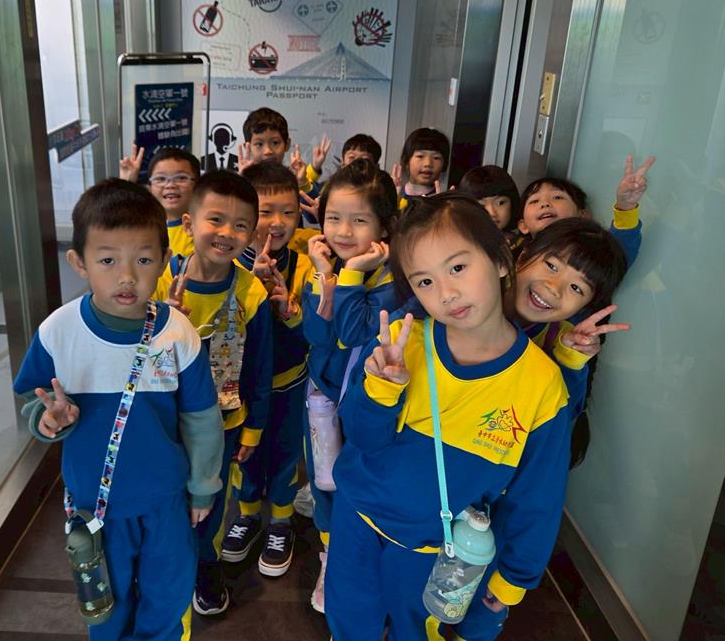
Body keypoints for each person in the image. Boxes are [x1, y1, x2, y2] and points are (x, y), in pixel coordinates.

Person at [327, 193, 570, 641]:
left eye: (458, 267)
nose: (446, 293)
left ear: (500, 260)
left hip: (434, 551)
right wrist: (381, 389)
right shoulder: (403, 343)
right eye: (424, 281)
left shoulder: (541, 384)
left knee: (417, 631)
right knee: (348, 622)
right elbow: (361, 437)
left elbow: (537, 496)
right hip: (357, 520)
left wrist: (513, 579)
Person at [12, 178, 224, 641]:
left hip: (167, 501)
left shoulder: (178, 334)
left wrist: (203, 488)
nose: (126, 276)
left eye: (143, 260)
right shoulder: (59, 332)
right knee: (106, 607)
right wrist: (49, 420)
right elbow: (31, 399)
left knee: (168, 596)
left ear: (165, 261)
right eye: (107, 260)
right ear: (79, 262)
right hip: (95, 506)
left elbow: (202, 419)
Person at [154, 170, 273, 617]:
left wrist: (253, 430)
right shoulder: (160, 280)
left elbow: (259, 367)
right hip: (163, 422)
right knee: (166, 497)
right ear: (188, 223)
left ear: (252, 234)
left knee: (211, 500)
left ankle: (206, 563)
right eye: (216, 220)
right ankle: (168, 564)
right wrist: (162, 322)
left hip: (223, 425)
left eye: (240, 225)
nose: (227, 233)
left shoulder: (250, 291)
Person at [301, 158, 401, 613]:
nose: (343, 231)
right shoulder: (326, 267)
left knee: (359, 485)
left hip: (367, 405)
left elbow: (354, 331)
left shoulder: (392, 281)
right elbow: (318, 335)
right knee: (324, 480)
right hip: (323, 396)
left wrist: (354, 274)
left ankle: (354, 557)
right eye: (333, 218)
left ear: (385, 226)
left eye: (359, 220)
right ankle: (330, 556)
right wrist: (324, 276)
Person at [222, 163, 314, 578]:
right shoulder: (228, 266)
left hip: (290, 381)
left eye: (289, 212)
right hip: (240, 388)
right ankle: (246, 516)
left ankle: (280, 522)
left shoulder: (306, 266)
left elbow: (316, 331)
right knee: (244, 454)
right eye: (265, 212)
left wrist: (290, 311)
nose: (277, 223)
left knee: (285, 453)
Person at [508, 217, 630, 466]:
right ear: (523, 257)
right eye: (552, 266)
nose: (554, 287)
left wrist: (570, 359)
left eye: (576, 288)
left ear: (584, 308)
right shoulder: (473, 295)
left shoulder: (562, 341)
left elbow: (559, 416)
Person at [514, 155, 655, 266]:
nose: (545, 204)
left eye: (557, 197)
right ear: (523, 225)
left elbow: (618, 255)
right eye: (534, 201)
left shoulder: (589, 254)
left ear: (582, 215)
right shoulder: (515, 257)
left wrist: (625, 205)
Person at [392, 127, 450, 205]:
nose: (428, 163)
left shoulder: (444, 202)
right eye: (420, 156)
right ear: (406, 161)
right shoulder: (396, 193)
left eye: (436, 158)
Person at [458, 165, 521, 236]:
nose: (492, 213)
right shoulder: (456, 239)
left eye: (500, 203)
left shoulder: (521, 242)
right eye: (481, 205)